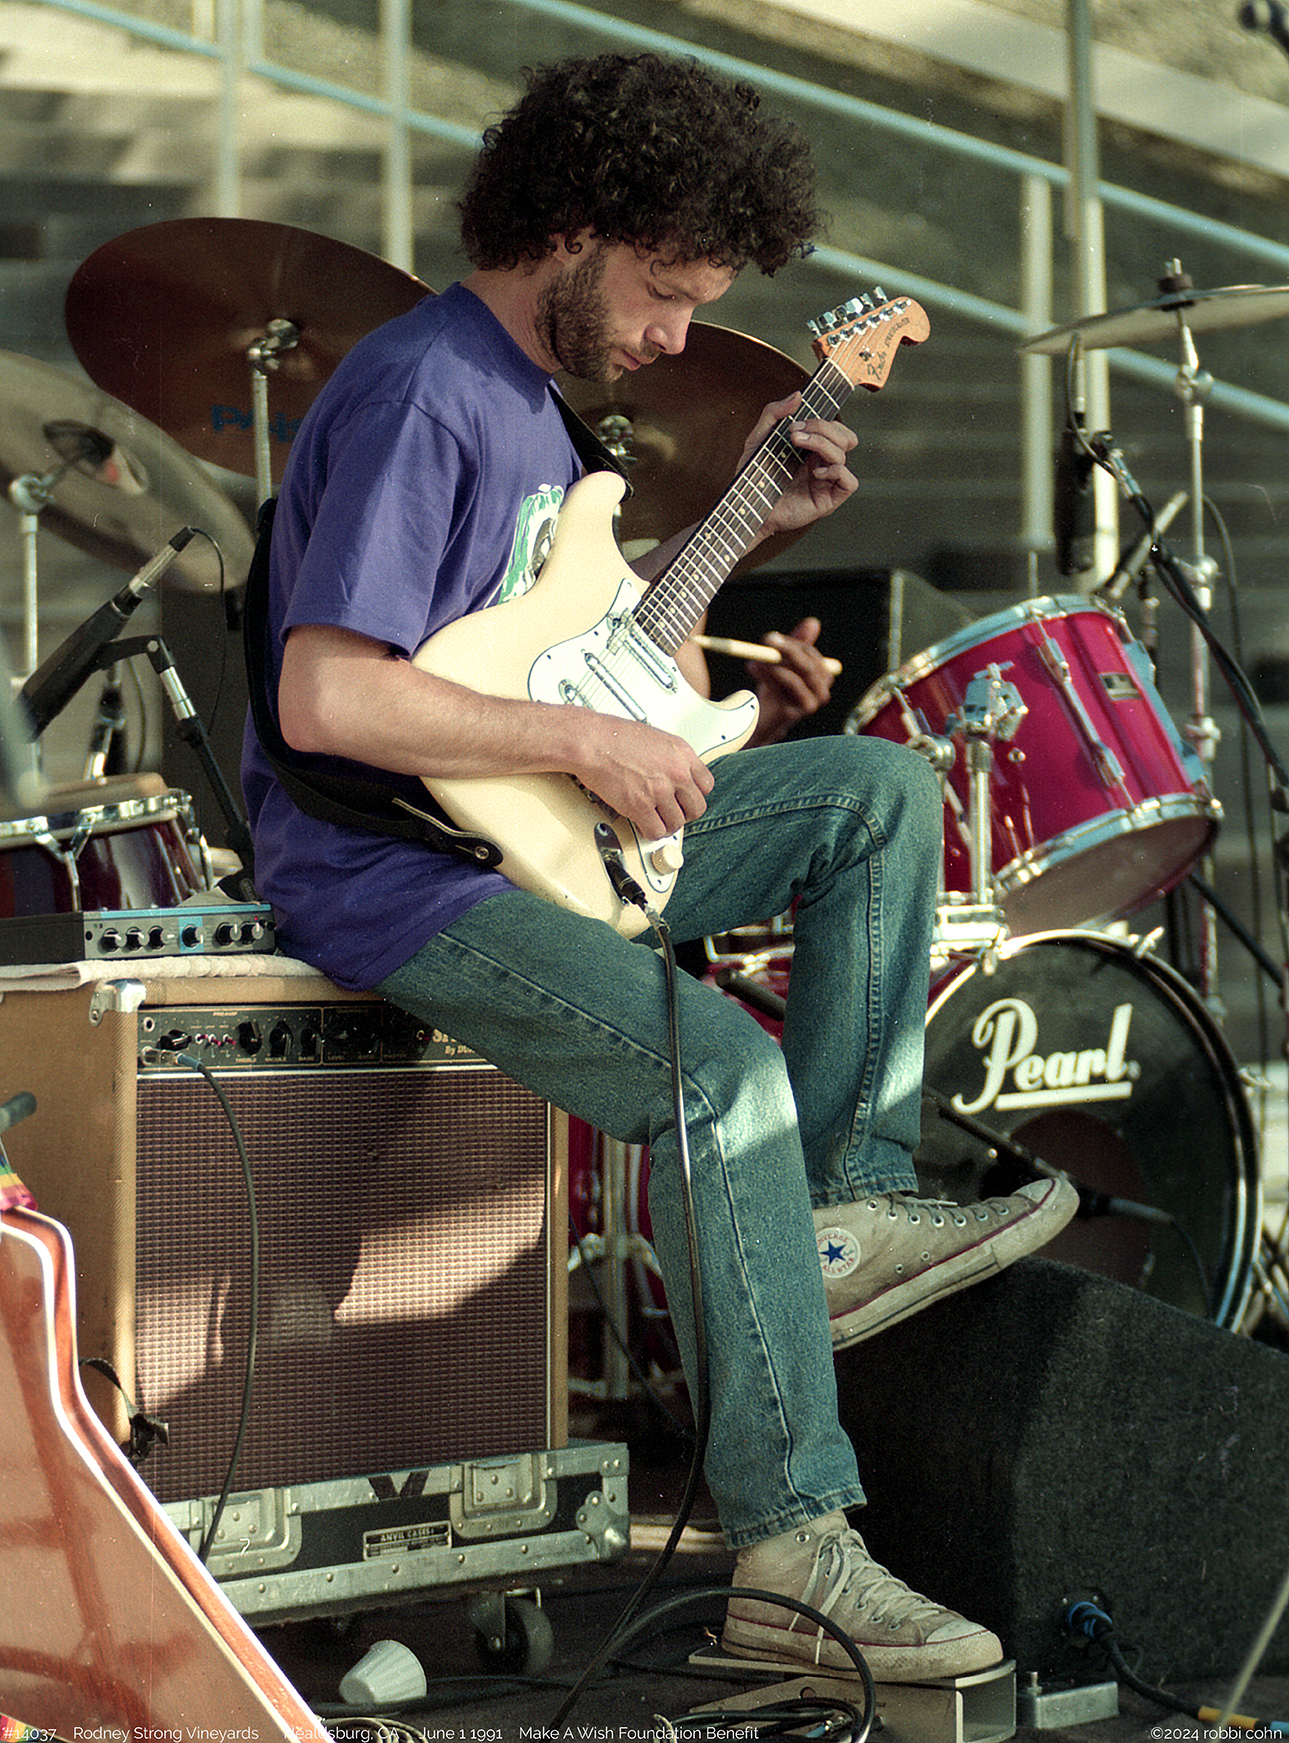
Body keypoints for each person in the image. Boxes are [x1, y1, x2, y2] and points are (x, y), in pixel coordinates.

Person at [242, 50, 1076, 1683]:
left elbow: (582, 660)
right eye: (668, 293)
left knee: (875, 794)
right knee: (721, 1075)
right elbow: (326, 698)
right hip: (398, 872)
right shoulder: (424, 391)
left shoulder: (541, 408)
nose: (679, 338)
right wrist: (584, 745)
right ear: (569, 228)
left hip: (538, 830)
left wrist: (746, 524)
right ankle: (790, 1553)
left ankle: (845, 1213)